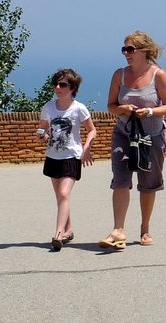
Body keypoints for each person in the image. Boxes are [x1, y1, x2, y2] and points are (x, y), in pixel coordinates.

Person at [99, 31, 166, 250]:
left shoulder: (158, 75)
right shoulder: (119, 75)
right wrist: (121, 109)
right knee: (120, 179)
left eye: (130, 49)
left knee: (148, 184)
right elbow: (110, 106)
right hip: (124, 134)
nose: (126, 54)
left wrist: (150, 112)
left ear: (144, 51)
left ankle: (145, 228)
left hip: (151, 137)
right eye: (124, 49)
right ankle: (118, 230)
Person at [38, 68, 95, 251]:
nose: (58, 87)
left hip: (72, 156)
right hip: (53, 156)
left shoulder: (79, 108)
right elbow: (43, 129)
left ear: (72, 87)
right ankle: (69, 230)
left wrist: (86, 149)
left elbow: (92, 130)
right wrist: (42, 135)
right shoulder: (48, 107)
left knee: (64, 194)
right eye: (56, 84)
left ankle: (59, 234)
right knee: (62, 197)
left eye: (63, 84)